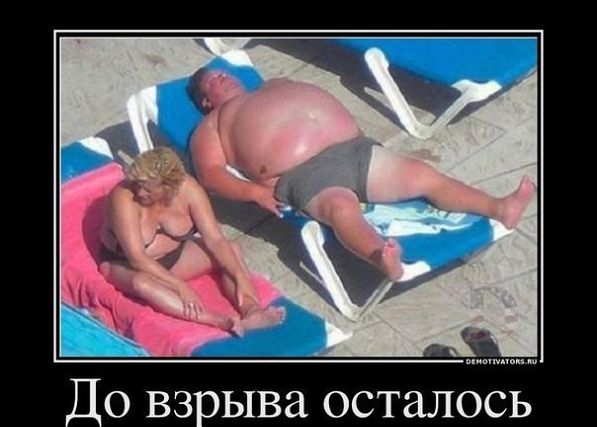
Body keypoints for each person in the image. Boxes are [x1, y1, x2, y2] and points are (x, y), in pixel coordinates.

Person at [187, 69, 535, 281]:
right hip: (304, 174)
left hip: (355, 149)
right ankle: (382, 258)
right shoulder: (212, 125)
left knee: (422, 173)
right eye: (212, 81)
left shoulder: (273, 84)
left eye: (222, 72)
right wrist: (255, 193)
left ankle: (499, 207)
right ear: (206, 101)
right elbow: (211, 175)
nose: (222, 76)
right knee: (341, 209)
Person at [98, 146, 285, 336]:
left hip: (175, 260)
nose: (139, 192)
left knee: (231, 250)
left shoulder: (189, 189)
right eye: (137, 184)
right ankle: (218, 320)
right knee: (142, 283)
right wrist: (180, 287)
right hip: (125, 265)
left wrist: (240, 277)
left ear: (167, 186)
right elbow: (137, 258)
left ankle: (252, 310)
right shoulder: (123, 197)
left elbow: (215, 239)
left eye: (146, 188)